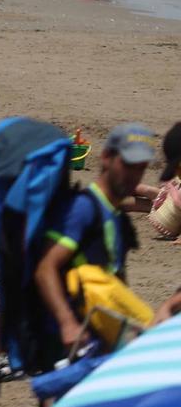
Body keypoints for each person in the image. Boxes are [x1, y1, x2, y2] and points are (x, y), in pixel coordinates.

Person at [35, 124, 154, 357]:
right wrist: (67, 323)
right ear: (106, 157)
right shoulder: (83, 208)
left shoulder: (115, 213)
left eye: (141, 168)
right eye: (128, 164)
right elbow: (45, 267)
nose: (134, 175)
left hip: (102, 333)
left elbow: (113, 278)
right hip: (75, 337)